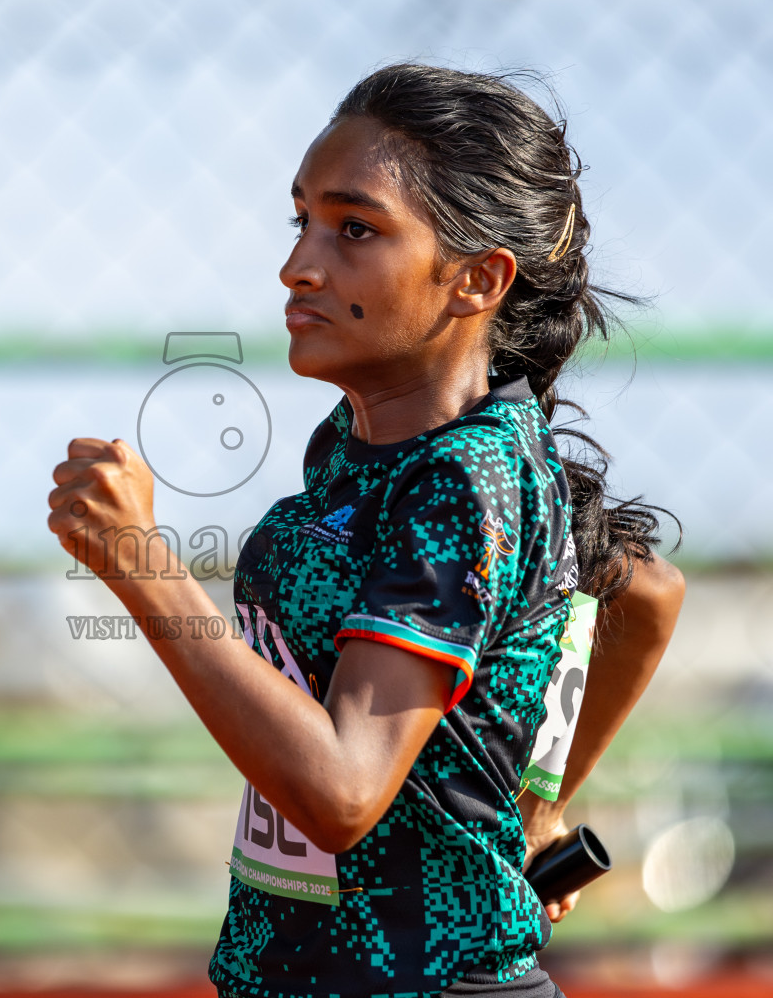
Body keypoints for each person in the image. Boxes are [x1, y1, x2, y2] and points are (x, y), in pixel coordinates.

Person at [46, 63, 685, 998]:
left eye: (354, 229)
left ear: (477, 279)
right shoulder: (361, 446)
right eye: (300, 220)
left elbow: (342, 792)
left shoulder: (468, 475)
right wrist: (538, 807)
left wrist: (140, 564)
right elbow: (640, 586)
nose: (298, 265)